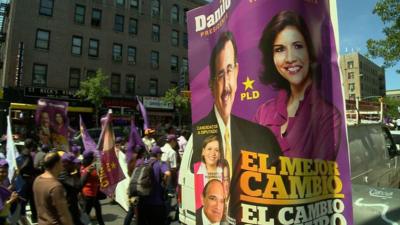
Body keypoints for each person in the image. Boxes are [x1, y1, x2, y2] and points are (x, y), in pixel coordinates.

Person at [192, 31, 282, 223]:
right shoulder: (198, 135)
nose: (226, 86)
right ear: (210, 84)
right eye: (220, 75)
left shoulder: (263, 138)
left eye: (230, 70)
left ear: (238, 72)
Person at [255, 10, 341, 160]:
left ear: (310, 50)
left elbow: (320, 176)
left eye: (298, 46)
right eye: (280, 49)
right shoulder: (263, 112)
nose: (290, 58)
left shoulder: (328, 117)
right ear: (272, 57)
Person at [33, 152, 74, 225]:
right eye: (61, 162)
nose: (63, 164)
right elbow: (64, 215)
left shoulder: (37, 180)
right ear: (56, 164)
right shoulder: (56, 187)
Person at [136, 145, 171, 225]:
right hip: (156, 204)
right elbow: (168, 174)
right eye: (161, 154)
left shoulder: (142, 163)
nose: (161, 156)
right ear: (158, 154)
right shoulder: (161, 163)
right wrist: (165, 183)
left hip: (142, 203)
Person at [194, 135, 223, 209]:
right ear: (203, 152)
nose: (213, 153)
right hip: (200, 214)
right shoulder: (195, 169)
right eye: (209, 149)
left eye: (216, 150)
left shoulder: (225, 170)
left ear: (219, 154)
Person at [58, 152, 84, 225]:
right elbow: (78, 185)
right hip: (67, 210)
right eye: (73, 163)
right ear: (66, 164)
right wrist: (84, 173)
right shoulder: (62, 174)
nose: (75, 165)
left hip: (72, 207)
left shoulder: (67, 172)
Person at [80, 150, 105, 225]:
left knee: (98, 211)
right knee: (85, 215)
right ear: (91, 158)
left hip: (91, 194)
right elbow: (99, 180)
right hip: (90, 195)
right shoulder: (91, 169)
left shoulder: (82, 166)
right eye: (94, 156)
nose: (95, 157)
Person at [0, 159, 19, 225]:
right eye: (1, 171)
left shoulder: (3, 181)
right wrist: (11, 200)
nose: (4, 174)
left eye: (6, 171)